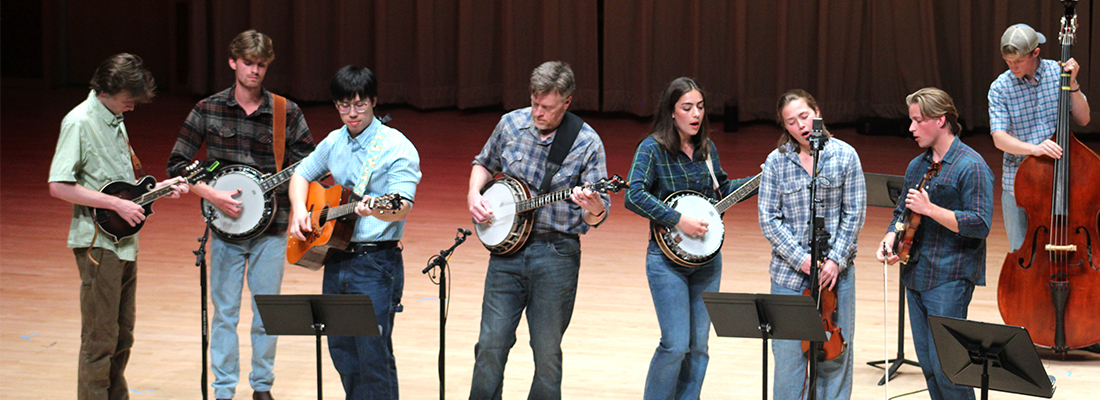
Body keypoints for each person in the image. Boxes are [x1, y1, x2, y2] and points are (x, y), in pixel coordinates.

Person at [167, 30, 315, 400]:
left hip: (273, 228)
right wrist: (211, 195)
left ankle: (262, 386)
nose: (255, 71)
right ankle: (223, 390)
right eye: (248, 63)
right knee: (225, 314)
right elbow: (177, 164)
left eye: (262, 65)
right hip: (225, 230)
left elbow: (311, 165)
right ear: (233, 62)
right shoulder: (207, 109)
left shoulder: (286, 111)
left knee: (268, 312)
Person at [48, 53, 189, 400]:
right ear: (110, 89)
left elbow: (126, 190)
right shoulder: (79, 122)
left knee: (122, 334)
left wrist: (162, 190)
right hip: (98, 245)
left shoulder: (115, 120)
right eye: (130, 99)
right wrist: (114, 204)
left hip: (124, 242)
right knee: (100, 338)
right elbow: (58, 185)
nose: (133, 107)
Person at [466, 61, 610, 400]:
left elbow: (596, 217)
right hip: (506, 254)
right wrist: (474, 193)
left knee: (546, 353)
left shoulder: (587, 143)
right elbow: (484, 163)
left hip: (556, 254)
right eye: (534, 103)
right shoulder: (511, 124)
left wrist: (594, 207)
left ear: (567, 102)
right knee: (489, 345)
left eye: (546, 106)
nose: (538, 112)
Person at [287, 65, 421, 399]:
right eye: (344, 106)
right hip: (335, 257)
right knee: (343, 352)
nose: (352, 113)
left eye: (359, 105)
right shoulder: (335, 141)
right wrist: (299, 211)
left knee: (372, 354)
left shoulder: (397, 147)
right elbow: (301, 174)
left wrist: (376, 207)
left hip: (375, 264)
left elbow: (402, 205)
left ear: (374, 101)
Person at [623, 77, 757, 400]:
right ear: (671, 112)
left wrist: (760, 179)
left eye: (700, 107)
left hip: (708, 262)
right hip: (666, 262)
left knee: (699, 347)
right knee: (675, 344)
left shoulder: (707, 149)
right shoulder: (652, 148)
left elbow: (721, 190)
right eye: (687, 108)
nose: (696, 114)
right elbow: (633, 195)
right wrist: (678, 219)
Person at [876, 88, 994, 400]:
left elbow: (980, 224)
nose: (911, 128)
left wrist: (932, 210)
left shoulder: (972, 166)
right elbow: (902, 211)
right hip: (916, 273)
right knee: (928, 366)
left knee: (950, 371)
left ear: (940, 120)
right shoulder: (918, 165)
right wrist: (891, 236)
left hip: (949, 277)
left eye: (918, 121)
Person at [759, 89, 865, 400]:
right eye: (790, 122)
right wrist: (801, 260)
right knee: (789, 362)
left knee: (835, 357)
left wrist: (835, 261)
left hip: (836, 278)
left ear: (817, 112)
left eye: (804, 116)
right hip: (789, 278)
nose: (800, 126)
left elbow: (854, 213)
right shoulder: (776, 162)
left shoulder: (845, 155)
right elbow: (769, 219)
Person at [989, 23, 1090, 252]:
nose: (1012, 67)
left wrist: (1072, 83)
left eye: (1018, 61)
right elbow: (999, 138)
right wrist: (1035, 148)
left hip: (1061, 177)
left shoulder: (1058, 73)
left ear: (1036, 53)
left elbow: (1083, 119)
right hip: (1018, 180)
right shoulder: (1000, 88)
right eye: (1008, 62)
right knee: (1021, 251)